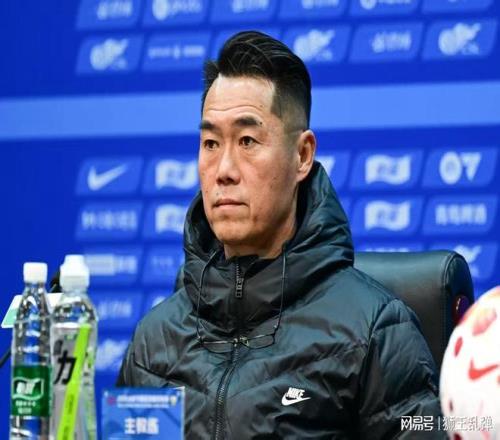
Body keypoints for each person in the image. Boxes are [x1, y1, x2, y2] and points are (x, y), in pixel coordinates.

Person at [117, 31, 443, 439]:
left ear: (302, 155)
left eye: (247, 140)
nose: (224, 170)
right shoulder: (153, 344)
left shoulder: (373, 332)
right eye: (211, 143)